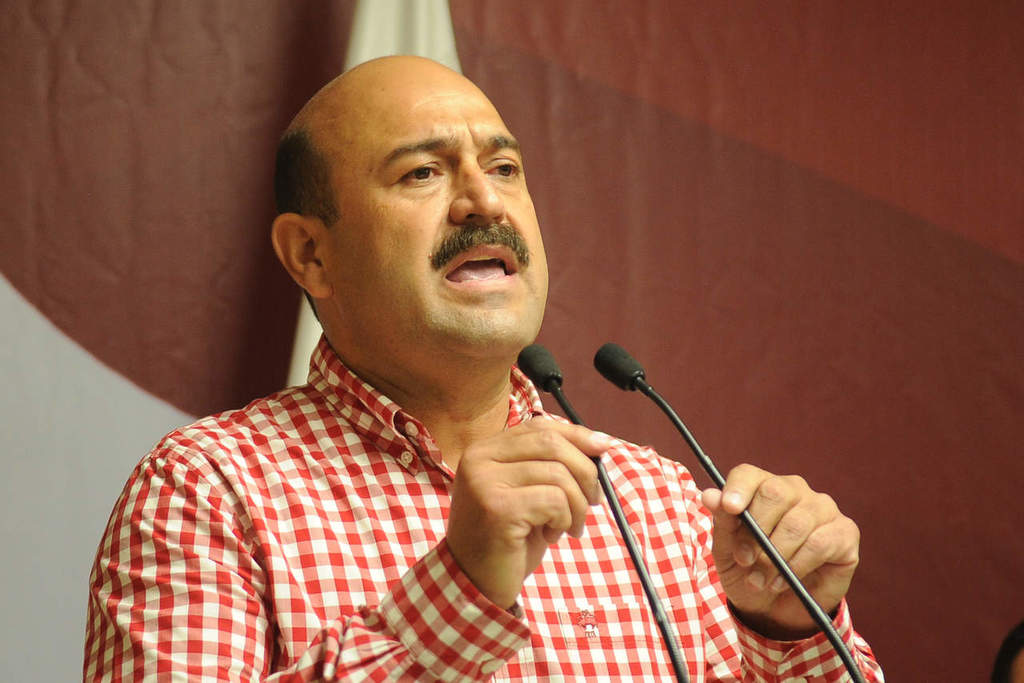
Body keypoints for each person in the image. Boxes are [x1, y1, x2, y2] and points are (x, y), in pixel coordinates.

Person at [84, 55, 883, 681]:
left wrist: (787, 629)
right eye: (422, 173)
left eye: (503, 169)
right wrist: (457, 592)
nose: (484, 202)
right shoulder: (208, 489)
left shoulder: (662, 502)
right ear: (312, 253)